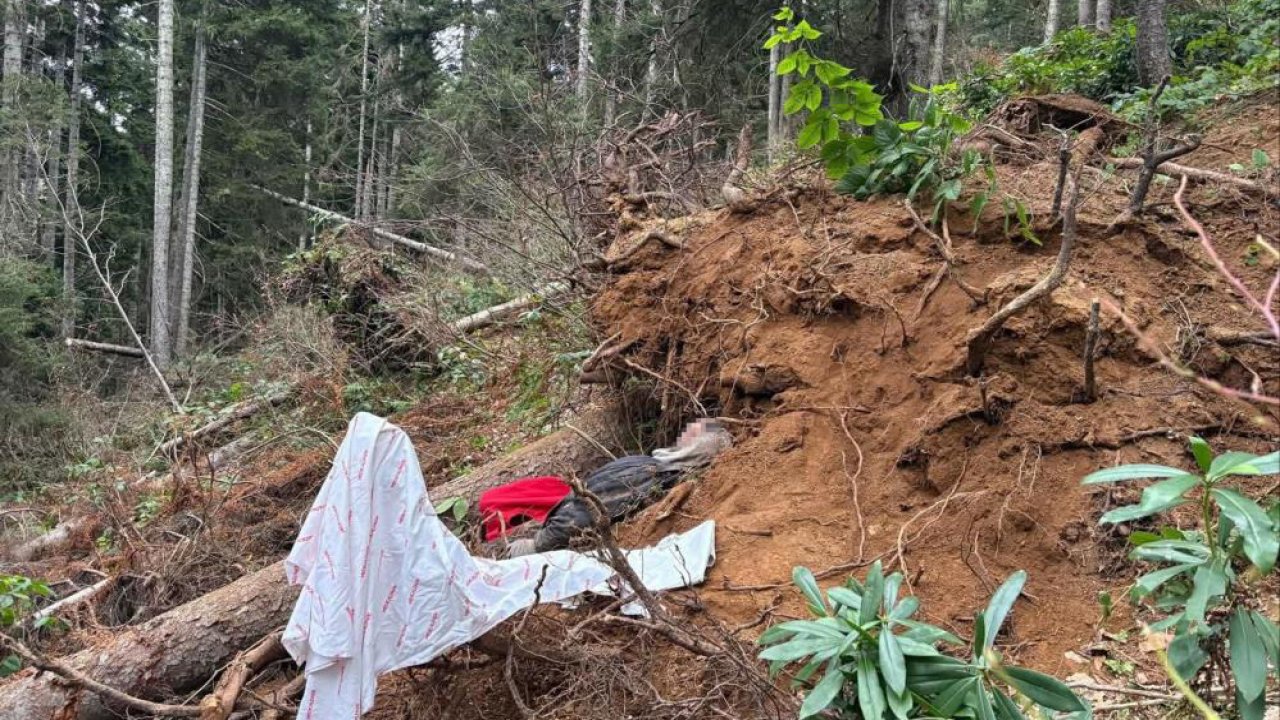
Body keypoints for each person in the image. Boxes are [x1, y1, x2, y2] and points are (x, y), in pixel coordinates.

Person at [508, 419, 731, 556]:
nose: (684, 434)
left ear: (696, 449)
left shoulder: (651, 477)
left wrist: (539, 543)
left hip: (554, 538)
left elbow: (586, 514)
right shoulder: (650, 465)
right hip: (554, 521)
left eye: (693, 434)